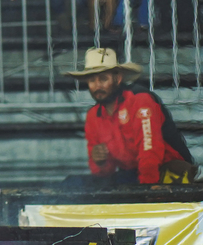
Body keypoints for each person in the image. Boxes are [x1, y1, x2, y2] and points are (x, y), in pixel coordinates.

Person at [65, 47, 194, 184]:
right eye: (92, 80)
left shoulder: (140, 100)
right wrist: (100, 162)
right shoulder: (93, 116)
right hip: (134, 173)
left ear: (118, 78)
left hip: (171, 170)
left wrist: (147, 189)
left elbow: (150, 152)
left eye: (103, 79)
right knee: (71, 183)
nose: (97, 86)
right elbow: (104, 172)